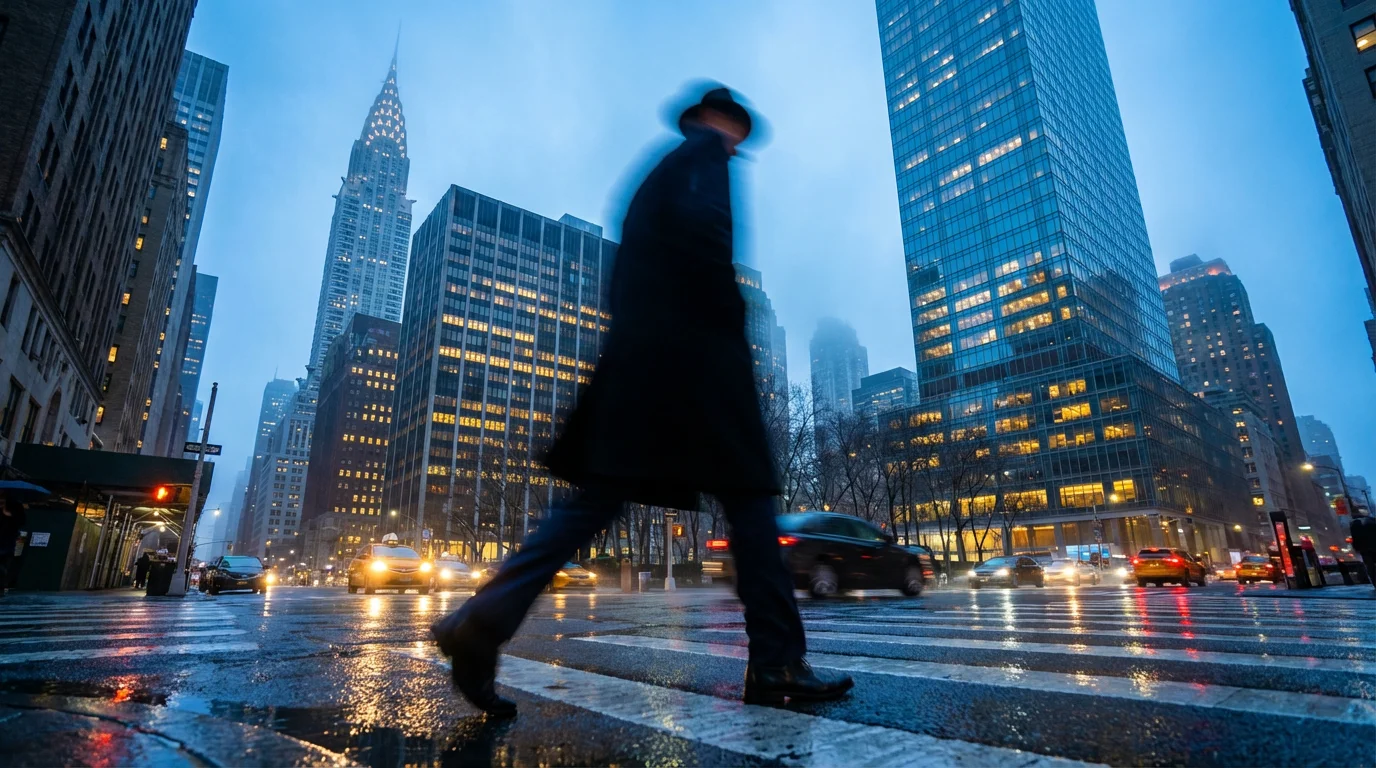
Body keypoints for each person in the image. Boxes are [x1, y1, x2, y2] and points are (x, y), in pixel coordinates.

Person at [431, 83, 853, 716]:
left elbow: (630, 274)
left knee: (597, 502)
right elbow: (705, 250)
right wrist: (723, 344)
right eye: (734, 127)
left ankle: (480, 624)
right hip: (700, 367)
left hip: (650, 365)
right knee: (751, 505)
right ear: (717, 121)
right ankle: (776, 663)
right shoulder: (703, 159)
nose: (738, 142)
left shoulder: (663, 171)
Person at [0, 497, 27, 597]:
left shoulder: (15, 507)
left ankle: (1, 587)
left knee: (3, 566)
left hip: (7, 542)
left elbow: (22, 521)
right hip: (6, 542)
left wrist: (8, 513)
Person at [1351, 510, 1376, 591]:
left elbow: (1355, 539)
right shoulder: (1372, 523)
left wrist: (1357, 548)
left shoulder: (1356, 525)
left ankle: (1375, 582)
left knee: (1370, 567)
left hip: (1365, 550)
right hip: (1372, 548)